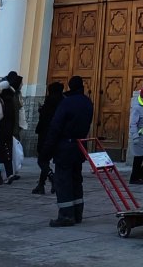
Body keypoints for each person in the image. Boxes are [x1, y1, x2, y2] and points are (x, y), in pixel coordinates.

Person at [44, 75, 93, 228]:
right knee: (76, 180)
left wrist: (47, 150)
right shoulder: (87, 102)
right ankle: (78, 213)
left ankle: (66, 215)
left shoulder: (67, 103)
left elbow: (56, 127)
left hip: (65, 146)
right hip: (79, 146)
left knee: (63, 181)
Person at [33, 81, 64, 194]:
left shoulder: (49, 101)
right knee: (48, 160)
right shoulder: (63, 101)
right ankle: (41, 185)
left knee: (42, 160)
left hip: (46, 136)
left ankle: (52, 177)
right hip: (59, 136)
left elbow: (44, 120)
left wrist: (41, 111)